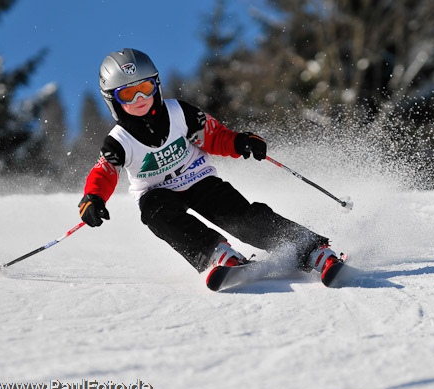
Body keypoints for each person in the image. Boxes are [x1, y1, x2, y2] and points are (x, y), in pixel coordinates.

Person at [78, 48, 342, 282]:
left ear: (156, 86)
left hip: (197, 179)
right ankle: (216, 253)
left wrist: (240, 142)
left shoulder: (179, 112)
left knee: (240, 216)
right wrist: (93, 197)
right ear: (113, 100)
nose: (138, 99)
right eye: (127, 93)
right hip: (156, 193)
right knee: (155, 214)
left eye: (144, 88)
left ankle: (311, 249)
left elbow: (213, 136)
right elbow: (105, 172)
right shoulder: (119, 141)